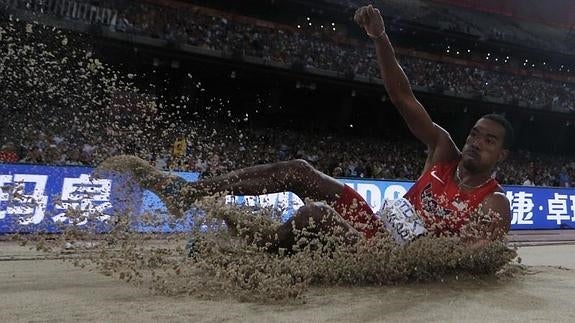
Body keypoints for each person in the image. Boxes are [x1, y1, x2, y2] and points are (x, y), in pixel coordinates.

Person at [95, 4, 512, 252]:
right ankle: (184, 193)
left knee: (315, 216)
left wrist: (413, 254)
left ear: (502, 156)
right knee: (298, 170)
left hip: (393, 252)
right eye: (474, 133)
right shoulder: (443, 151)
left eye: (488, 140)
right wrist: (381, 39)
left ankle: (253, 253)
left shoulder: (494, 204)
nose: (475, 143)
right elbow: (403, 98)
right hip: (375, 225)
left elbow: (472, 255)